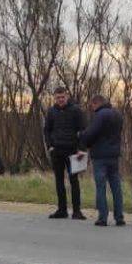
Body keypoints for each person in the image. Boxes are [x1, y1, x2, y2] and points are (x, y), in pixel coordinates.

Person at [77, 93, 124, 227]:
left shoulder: (100, 115)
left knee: (101, 186)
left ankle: (103, 217)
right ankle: (119, 217)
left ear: (96, 103)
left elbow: (91, 133)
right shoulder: (118, 115)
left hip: (100, 156)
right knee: (116, 186)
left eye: (92, 105)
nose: (91, 108)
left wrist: (82, 137)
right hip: (114, 155)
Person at [42, 85, 86, 220]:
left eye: (62, 97)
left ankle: (77, 211)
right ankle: (62, 210)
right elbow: (47, 130)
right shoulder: (51, 111)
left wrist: (81, 148)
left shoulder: (76, 110)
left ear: (67, 96)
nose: (60, 99)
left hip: (73, 151)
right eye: (58, 98)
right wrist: (50, 146)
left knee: (74, 181)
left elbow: (83, 130)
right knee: (59, 181)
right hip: (57, 151)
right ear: (54, 98)